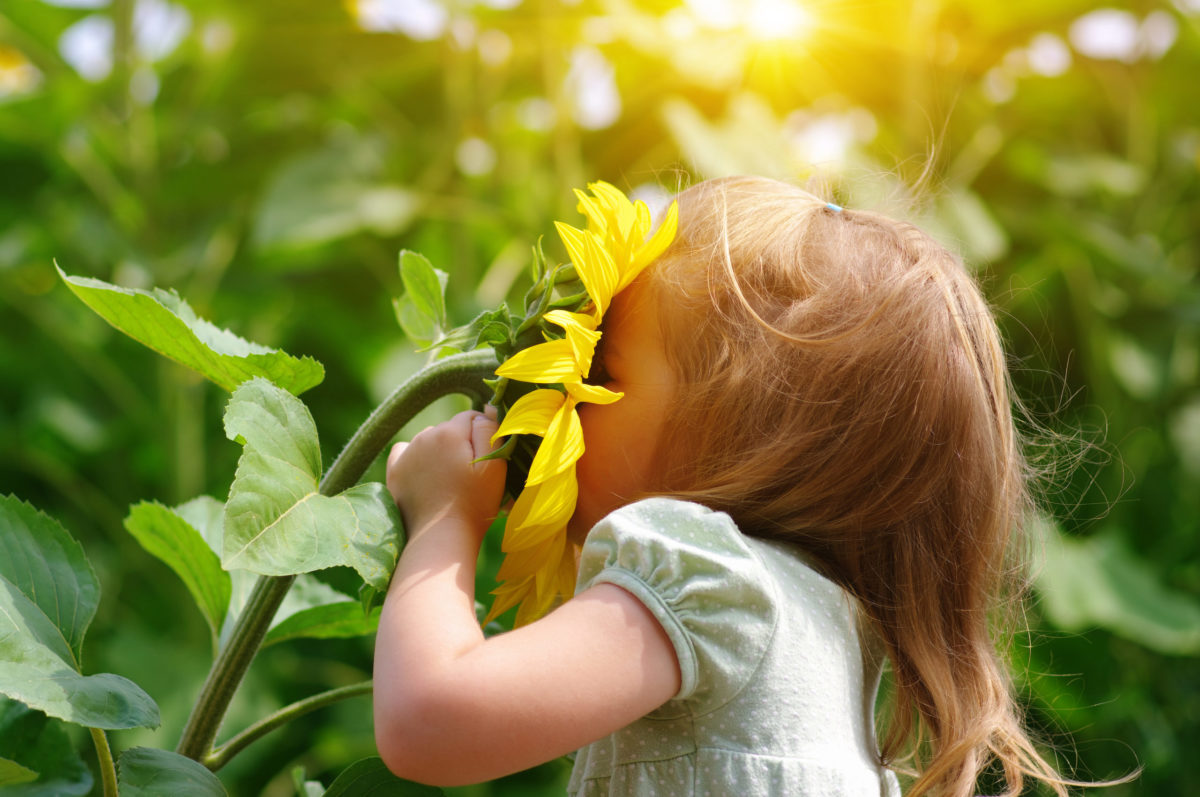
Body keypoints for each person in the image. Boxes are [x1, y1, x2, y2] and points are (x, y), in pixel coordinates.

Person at [373, 176, 1083, 795]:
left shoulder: (701, 575)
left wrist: (444, 520)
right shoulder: (832, 634)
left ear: (741, 435)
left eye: (603, 372)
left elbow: (430, 721)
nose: (572, 393)